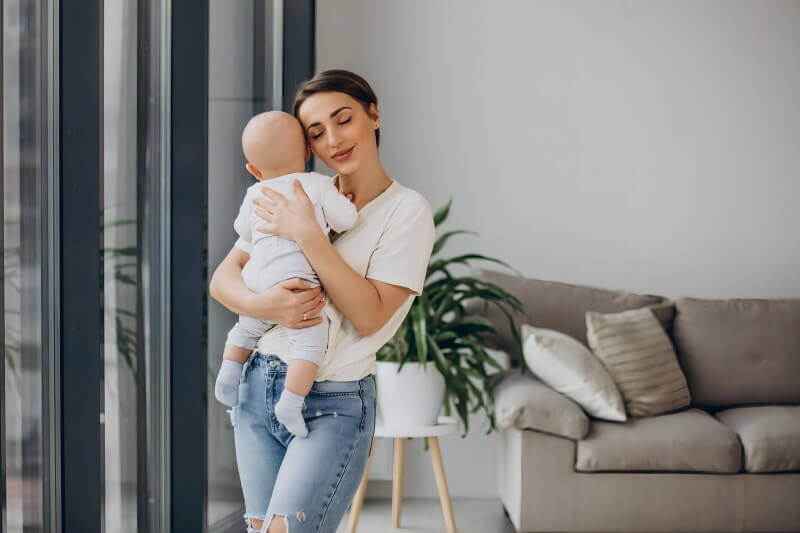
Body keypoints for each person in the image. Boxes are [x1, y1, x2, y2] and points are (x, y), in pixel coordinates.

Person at [209, 69, 435, 533]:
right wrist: (267, 306)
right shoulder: (295, 192)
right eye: (317, 132)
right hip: (258, 388)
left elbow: (371, 315)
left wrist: (310, 237)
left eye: (344, 119)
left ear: (373, 115)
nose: (333, 139)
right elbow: (222, 280)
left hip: (334, 401)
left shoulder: (406, 211)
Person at [214, 110, 358, 441]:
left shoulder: (255, 193)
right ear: (308, 152)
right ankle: (291, 402)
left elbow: (243, 230)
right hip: (296, 280)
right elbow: (346, 221)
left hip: (256, 278)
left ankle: (228, 373)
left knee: (247, 326)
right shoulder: (318, 185)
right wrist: (344, 203)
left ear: (253, 169)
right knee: (311, 338)